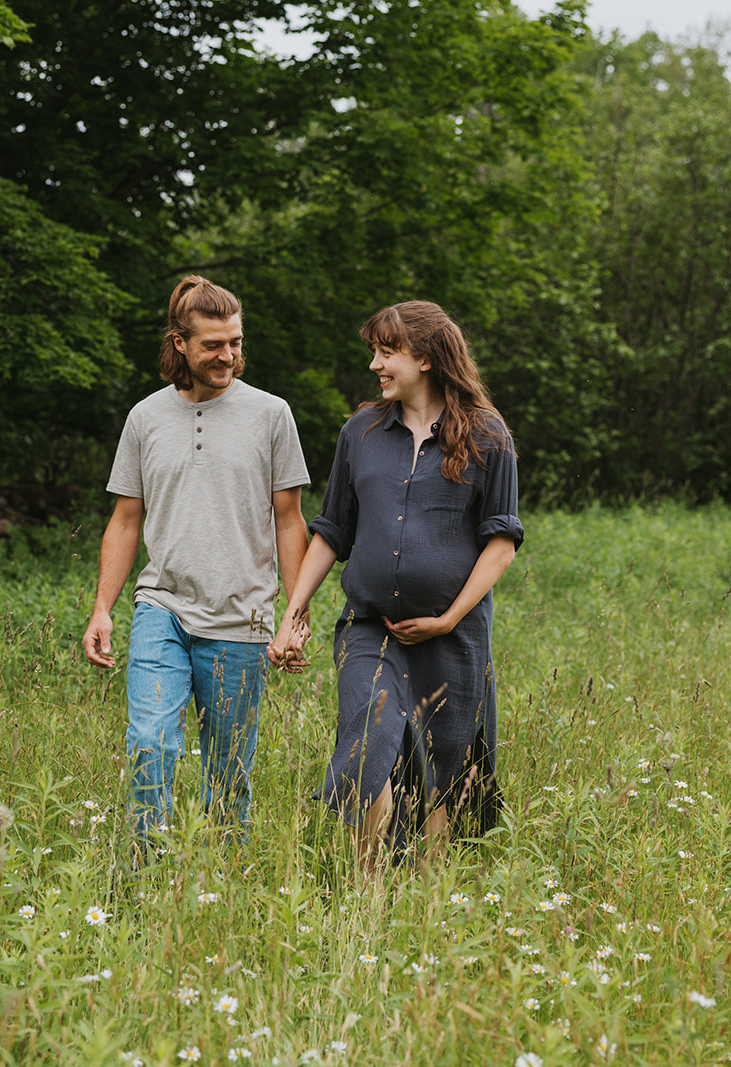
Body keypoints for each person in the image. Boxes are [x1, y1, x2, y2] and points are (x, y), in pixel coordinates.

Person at [268, 301, 522, 874]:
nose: (376, 365)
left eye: (388, 353)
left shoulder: (487, 435)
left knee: (444, 766)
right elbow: (331, 530)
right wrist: (294, 611)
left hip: (452, 636)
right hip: (371, 630)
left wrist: (449, 618)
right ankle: (370, 890)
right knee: (367, 750)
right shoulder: (360, 432)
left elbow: (501, 541)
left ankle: (427, 897)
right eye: (375, 352)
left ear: (426, 359)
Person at [82, 276, 310, 862]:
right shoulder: (145, 418)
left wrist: (294, 613)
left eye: (235, 342)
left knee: (228, 767)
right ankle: (143, 870)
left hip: (243, 618)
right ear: (179, 343)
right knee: (149, 743)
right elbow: (126, 520)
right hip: (163, 606)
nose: (228, 355)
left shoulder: (271, 415)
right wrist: (103, 608)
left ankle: (220, 882)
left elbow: (289, 519)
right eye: (213, 344)